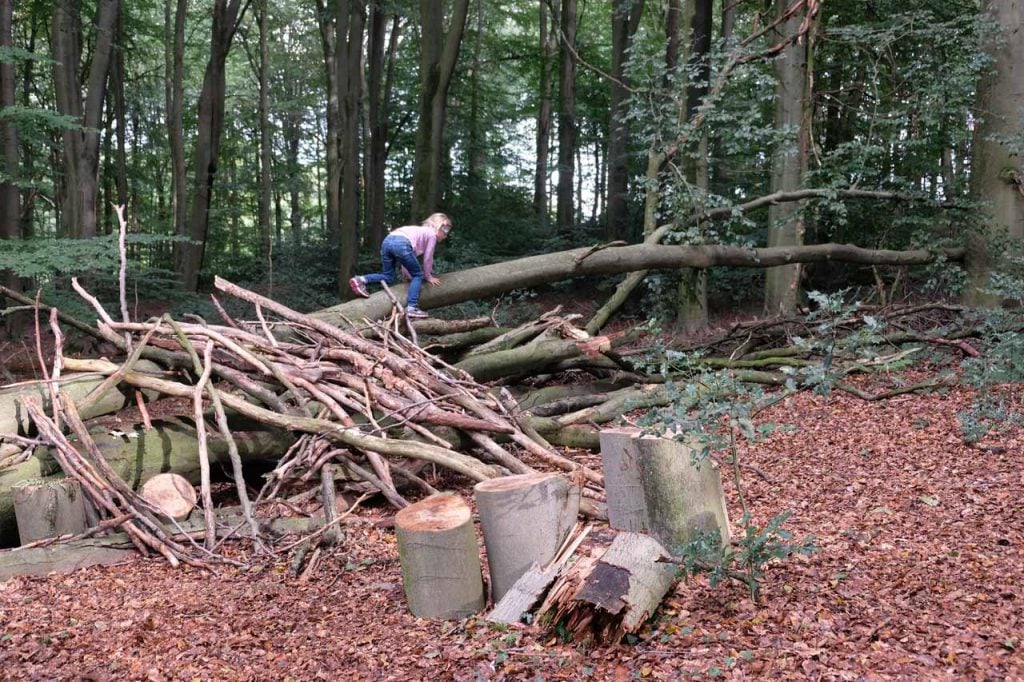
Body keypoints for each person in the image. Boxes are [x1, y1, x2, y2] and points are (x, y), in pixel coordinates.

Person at [348, 212, 452, 319]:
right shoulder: (431, 235)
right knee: (418, 275)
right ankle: (412, 307)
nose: (445, 236)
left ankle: (361, 279)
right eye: (445, 232)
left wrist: (406, 274)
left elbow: (408, 258)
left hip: (387, 241)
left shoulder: (418, 233)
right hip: (401, 243)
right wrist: (428, 276)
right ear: (438, 227)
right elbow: (428, 258)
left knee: (388, 276)